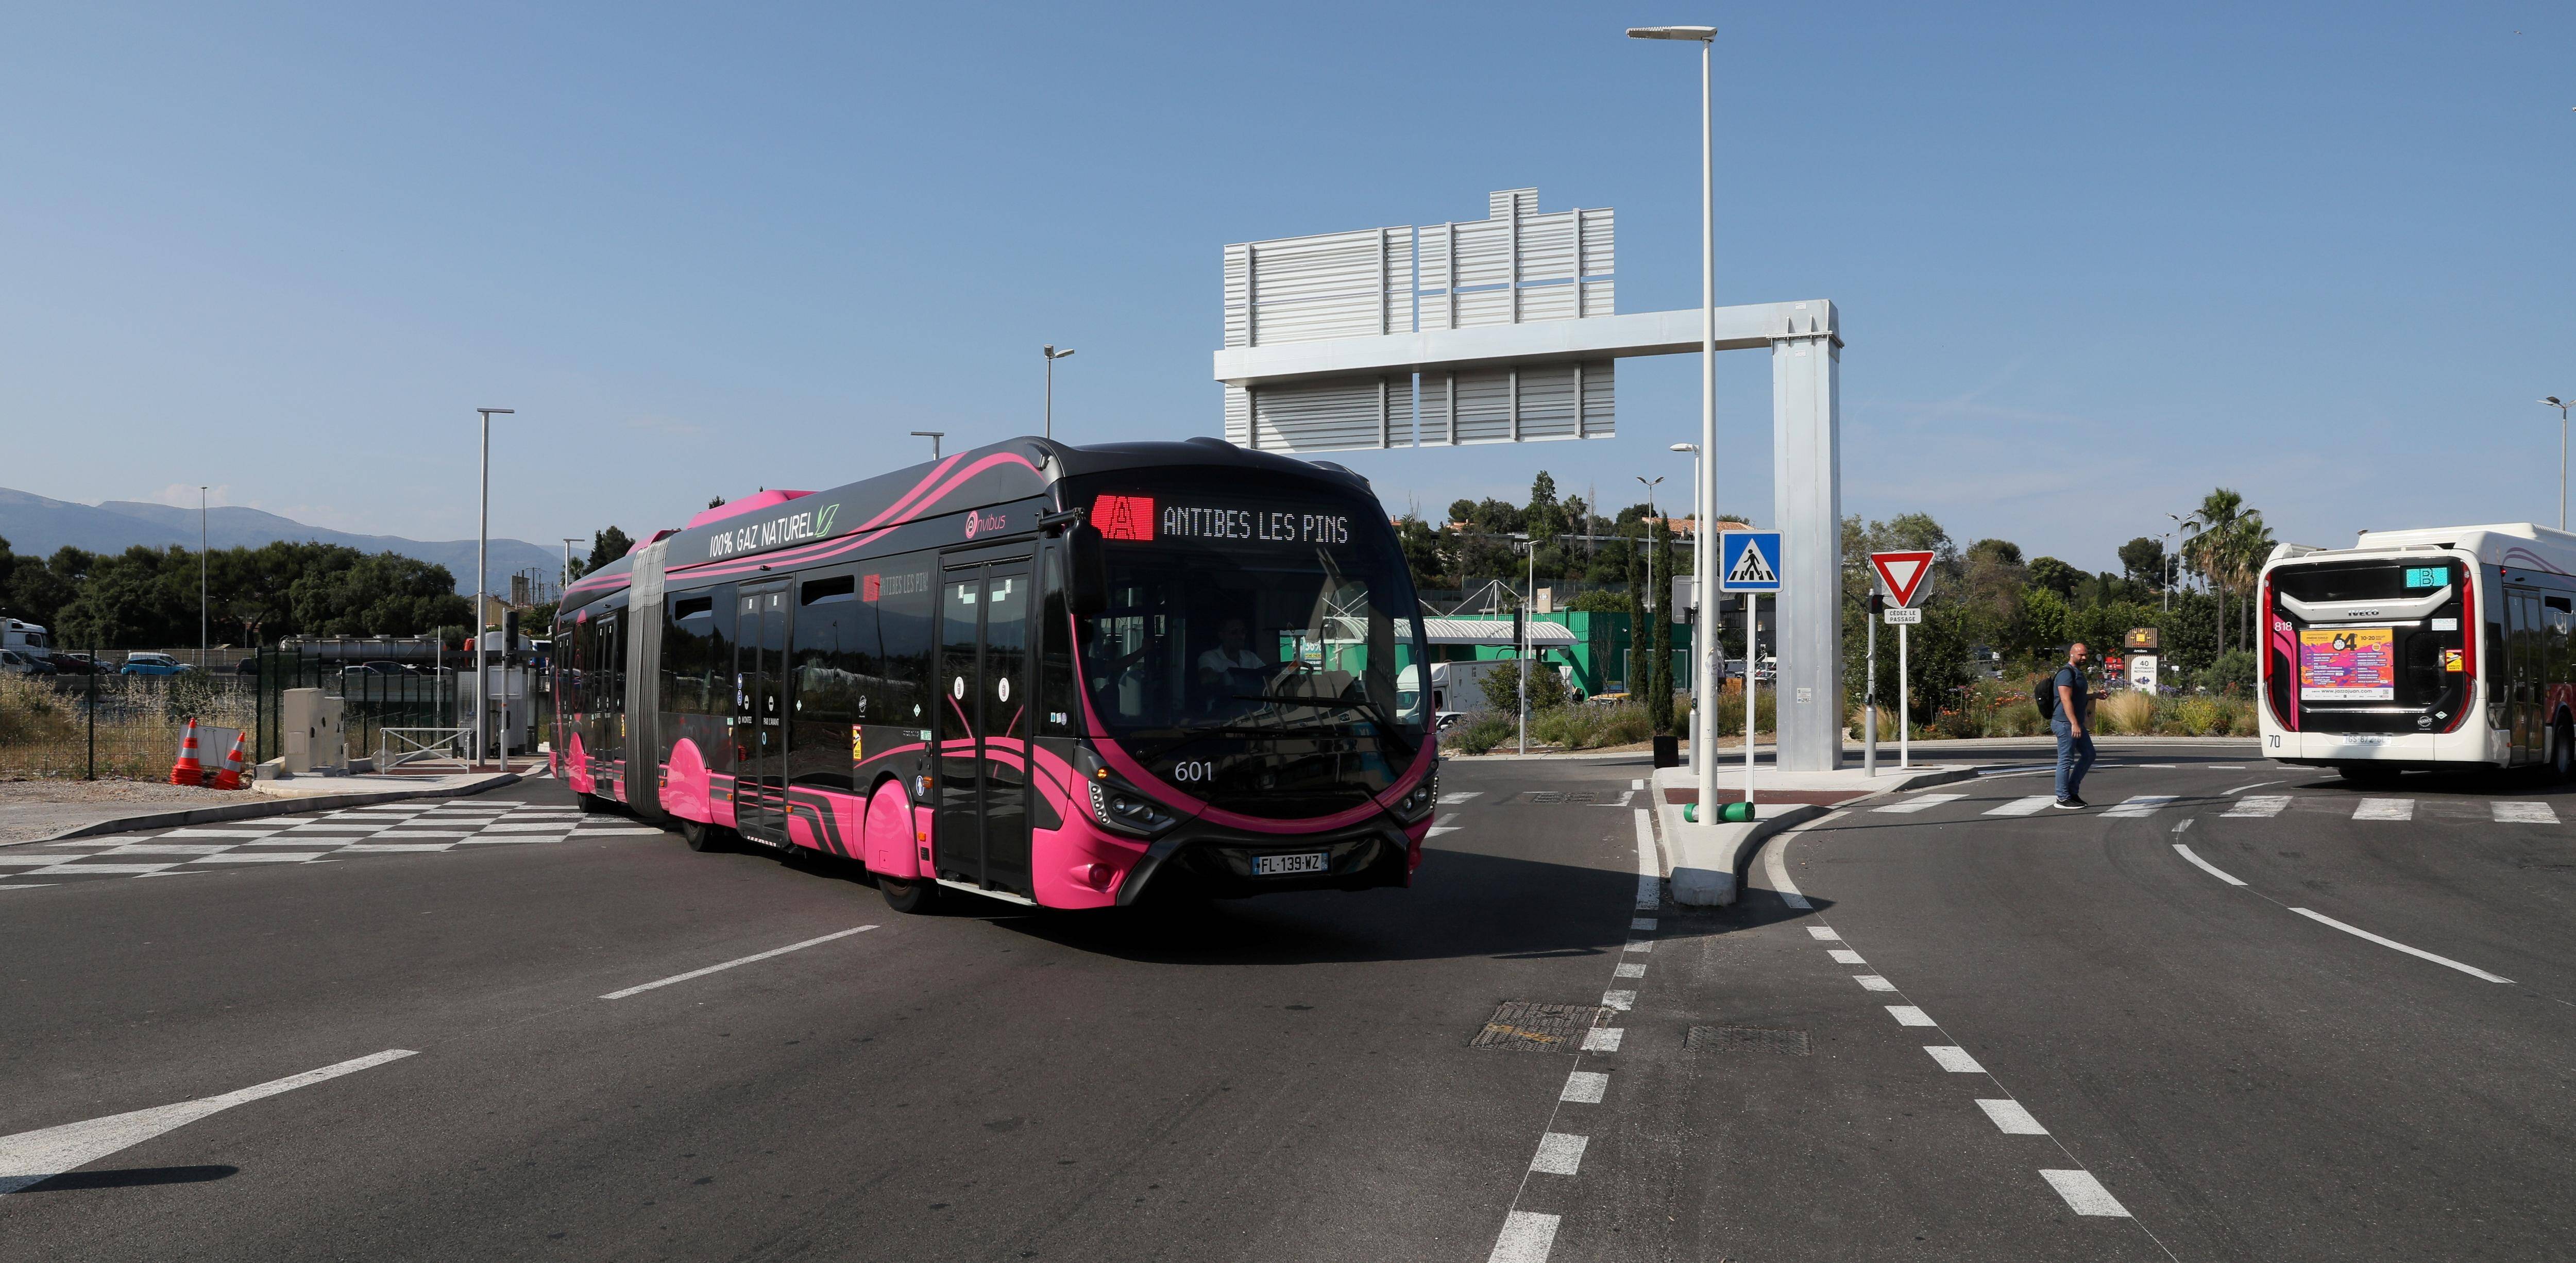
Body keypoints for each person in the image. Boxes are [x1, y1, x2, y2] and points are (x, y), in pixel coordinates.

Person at [2052, 642, 2101, 809]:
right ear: (2071, 654)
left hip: (2075, 723)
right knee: (2065, 760)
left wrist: (2095, 696)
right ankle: (2062, 797)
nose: (2084, 657)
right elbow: (2065, 699)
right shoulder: (2066, 673)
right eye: (2081, 654)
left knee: (2089, 754)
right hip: (2066, 723)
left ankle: (2072, 792)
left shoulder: (2077, 673)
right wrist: (2074, 723)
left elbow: (2077, 697)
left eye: (2086, 654)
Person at [1197, 617, 1270, 704]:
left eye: (1243, 631)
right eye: (1234, 632)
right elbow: (1206, 679)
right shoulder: (1210, 656)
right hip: (1222, 712)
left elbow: (1269, 676)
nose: (1240, 636)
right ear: (1222, 635)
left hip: (1253, 711)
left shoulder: (1251, 657)